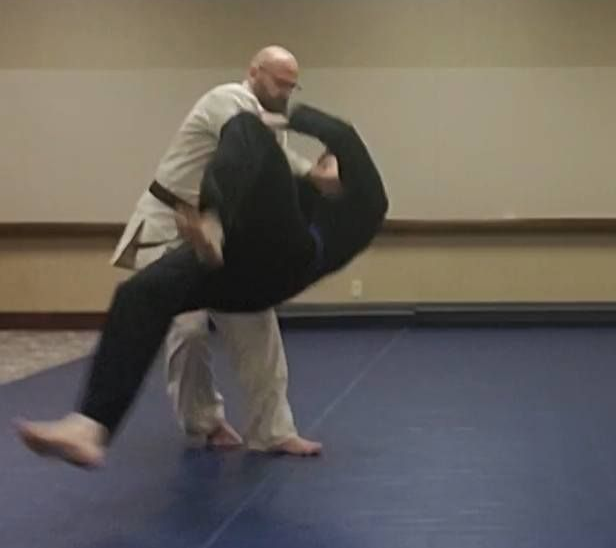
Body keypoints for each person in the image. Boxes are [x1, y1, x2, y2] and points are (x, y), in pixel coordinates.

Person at [16, 102, 389, 469]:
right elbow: (245, 177)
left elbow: (343, 135)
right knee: (141, 293)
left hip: (292, 258)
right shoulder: (303, 190)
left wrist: (285, 117)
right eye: (319, 161)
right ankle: (90, 426)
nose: (320, 165)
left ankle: (213, 222)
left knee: (246, 126)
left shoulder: (367, 202)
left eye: (328, 160)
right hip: (237, 271)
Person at [111, 45, 333, 455]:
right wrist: (314, 147)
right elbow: (245, 132)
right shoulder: (226, 99)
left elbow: (274, 153)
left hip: (223, 234)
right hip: (174, 225)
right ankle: (205, 422)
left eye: (292, 86)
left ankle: (273, 430)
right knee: (188, 329)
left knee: (257, 323)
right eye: (279, 82)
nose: (285, 92)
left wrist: (314, 176)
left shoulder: (268, 123)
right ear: (254, 71)